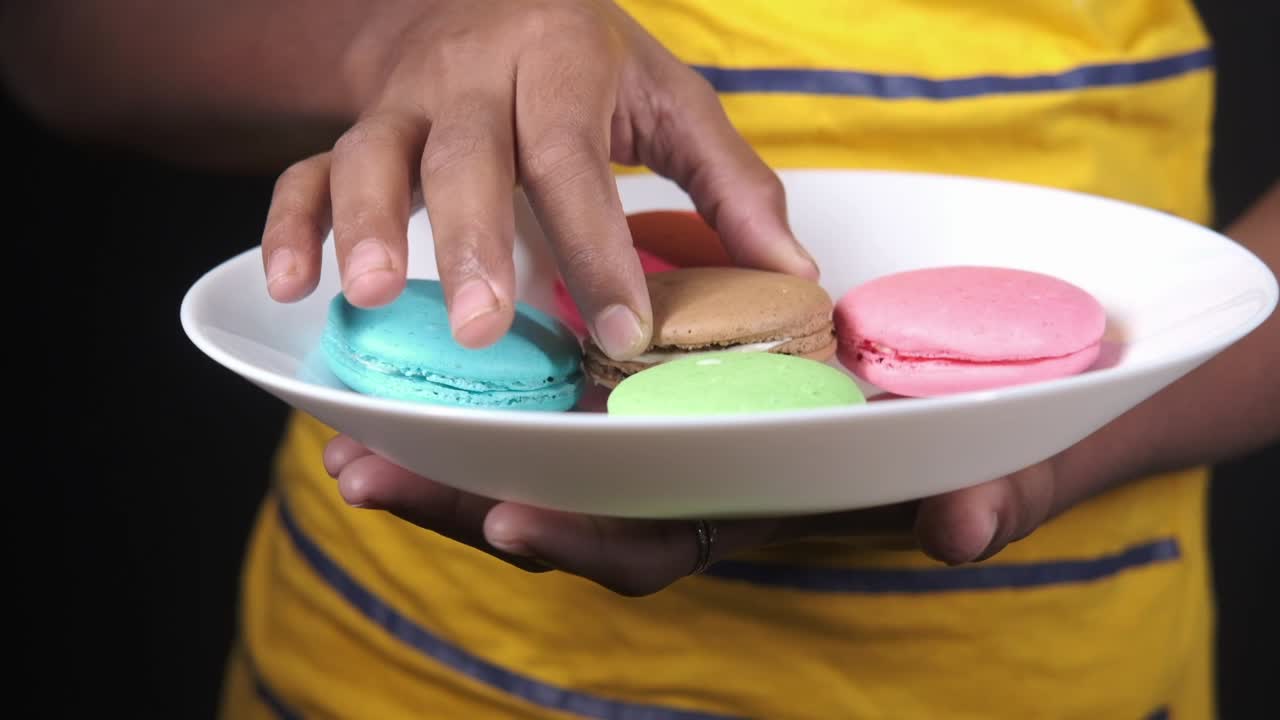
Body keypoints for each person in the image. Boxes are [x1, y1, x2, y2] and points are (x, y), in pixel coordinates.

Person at [7, 1, 1277, 717]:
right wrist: (390, 42)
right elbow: (54, 44)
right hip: (400, 668)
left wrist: (1070, 438)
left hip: (1055, 669)